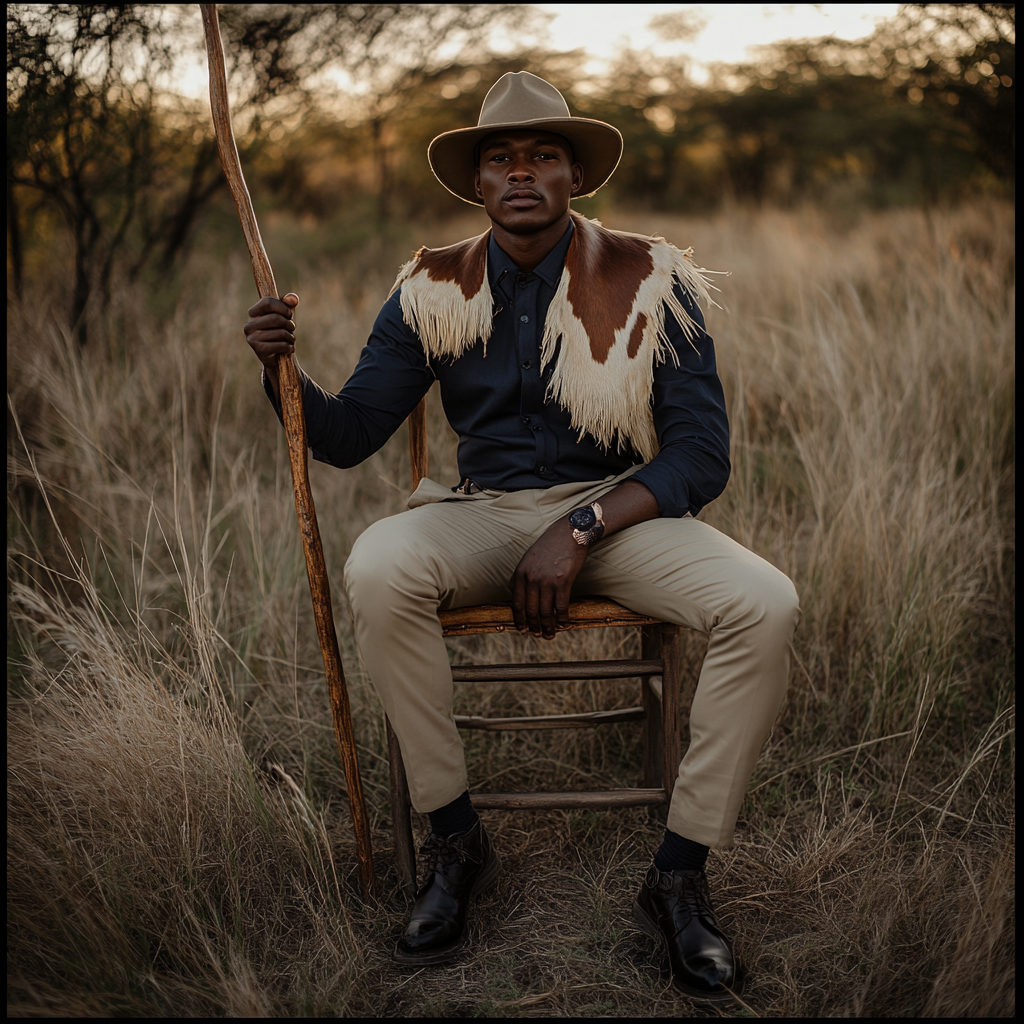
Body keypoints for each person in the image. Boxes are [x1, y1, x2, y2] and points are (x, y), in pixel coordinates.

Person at [244, 71, 799, 1002]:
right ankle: (455, 839)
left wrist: (580, 525)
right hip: (483, 514)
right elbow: (344, 439)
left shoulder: (655, 278)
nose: (521, 173)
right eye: (500, 158)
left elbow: (701, 457)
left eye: (543, 154)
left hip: (619, 511)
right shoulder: (431, 289)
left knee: (765, 603)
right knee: (379, 564)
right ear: (477, 184)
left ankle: (679, 872)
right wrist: (280, 371)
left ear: (574, 170)